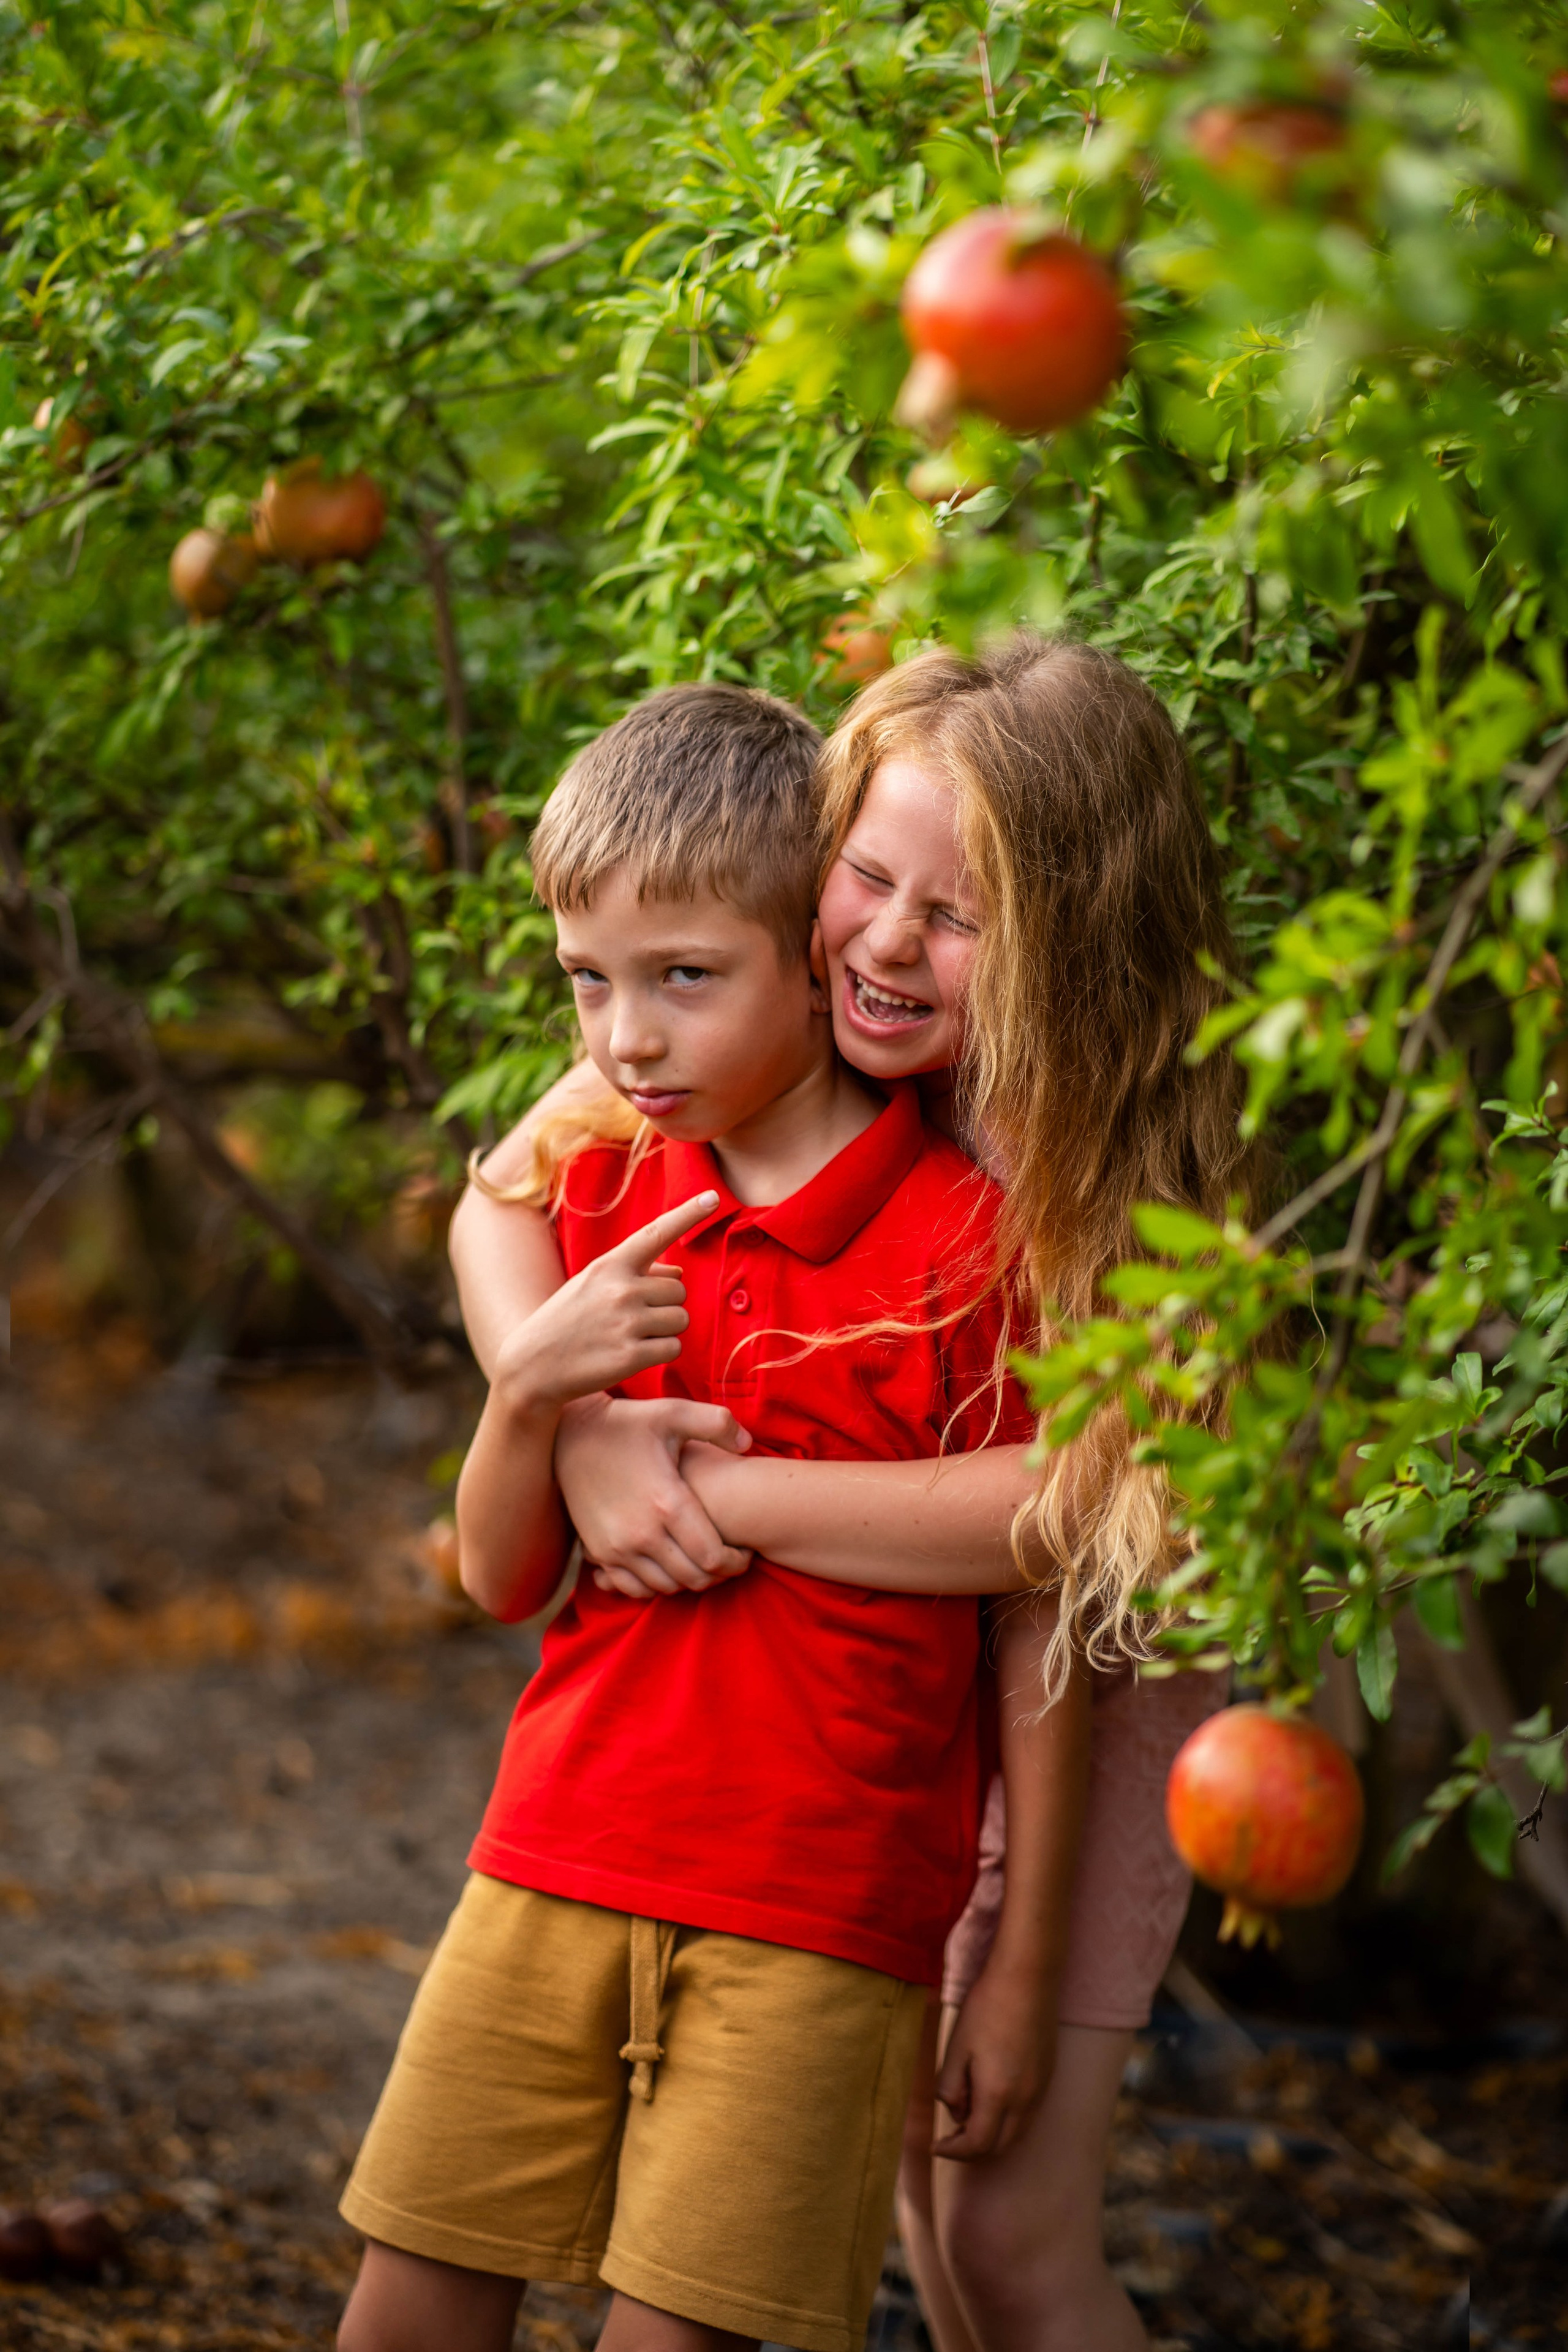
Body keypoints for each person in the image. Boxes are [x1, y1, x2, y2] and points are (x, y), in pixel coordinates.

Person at [452, 635, 1252, 2352]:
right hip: (864, 1703)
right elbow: (499, 1199)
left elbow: (1072, 1520)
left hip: (1081, 1691)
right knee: (915, 2193)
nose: (888, 940)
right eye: (864, 879)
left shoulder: (1088, 1157)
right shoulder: (747, 1043)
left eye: (954, 919)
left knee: (1009, 2230)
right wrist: (578, 1418)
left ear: (1070, 942)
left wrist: (734, 1500)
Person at [336, 682, 1088, 2352]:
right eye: (589, 986)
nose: (627, 1039)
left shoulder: (980, 1241)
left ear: (807, 965)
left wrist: (1019, 1966)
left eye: (684, 982)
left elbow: (1047, 1584)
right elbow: (499, 1572)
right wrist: (541, 1398)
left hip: (821, 1913)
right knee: (407, 2307)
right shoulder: (601, 1188)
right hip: (555, 1850)